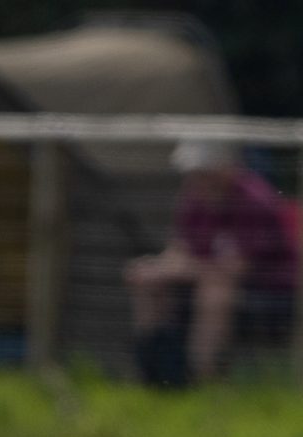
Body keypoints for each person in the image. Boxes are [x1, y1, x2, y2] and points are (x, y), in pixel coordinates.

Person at [127, 141, 300, 387]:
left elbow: (237, 268)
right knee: (146, 279)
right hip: (204, 282)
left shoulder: (255, 201)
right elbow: (179, 249)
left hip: (269, 294)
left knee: (216, 291)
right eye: (194, 173)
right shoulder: (193, 198)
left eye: (204, 173)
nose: (197, 180)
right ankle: (152, 372)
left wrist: (182, 269)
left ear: (226, 168)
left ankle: (198, 379)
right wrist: (158, 268)